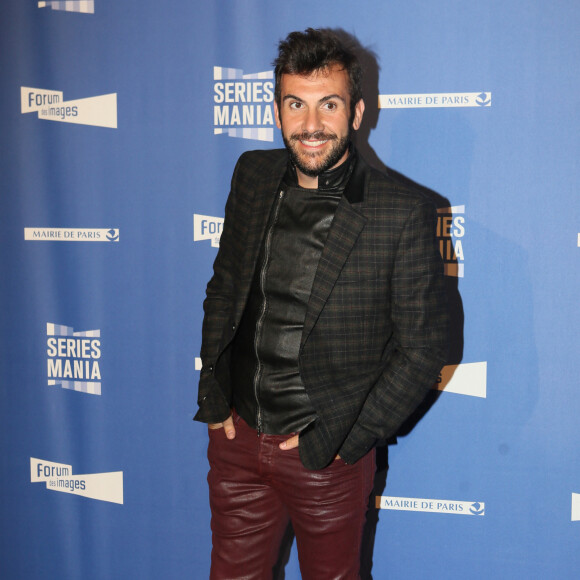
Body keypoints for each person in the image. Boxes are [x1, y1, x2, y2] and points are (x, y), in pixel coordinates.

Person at [195, 28, 449, 580]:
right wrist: (212, 396)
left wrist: (346, 440)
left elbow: (424, 350)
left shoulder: (399, 212)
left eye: (327, 105)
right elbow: (224, 285)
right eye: (296, 105)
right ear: (279, 110)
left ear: (356, 113)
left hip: (326, 456)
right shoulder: (253, 175)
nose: (311, 126)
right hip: (238, 443)